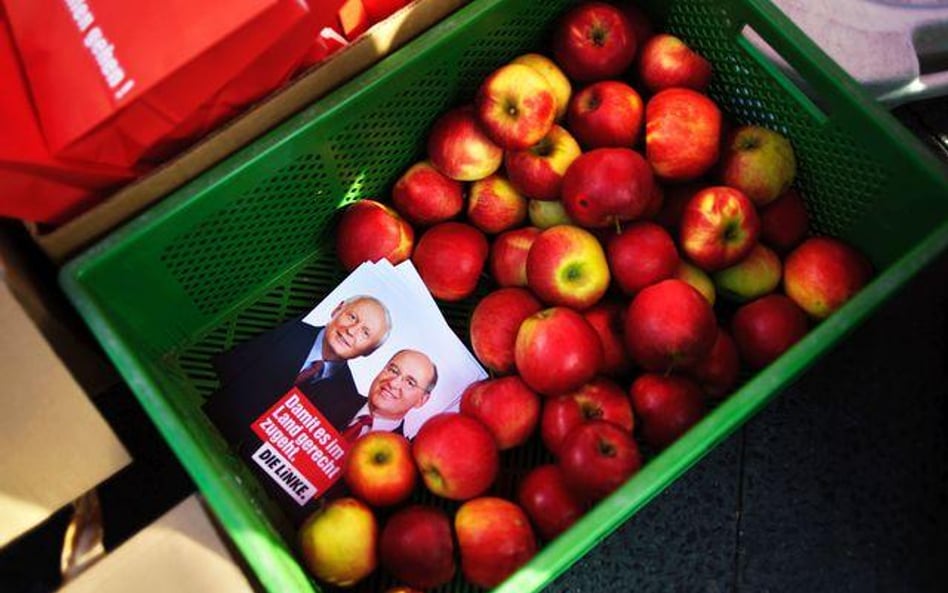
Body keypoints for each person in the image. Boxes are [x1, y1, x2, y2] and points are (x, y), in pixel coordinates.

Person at [205, 295, 392, 440]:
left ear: (369, 351)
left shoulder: (348, 400)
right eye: (352, 317)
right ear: (337, 309)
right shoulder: (282, 322)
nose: (351, 330)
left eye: (365, 333)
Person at [341, 349, 438, 441]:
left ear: (421, 400)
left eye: (410, 383)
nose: (393, 383)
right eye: (393, 370)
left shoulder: (403, 455)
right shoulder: (335, 393)